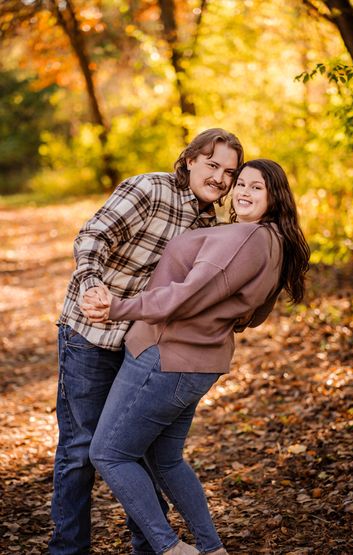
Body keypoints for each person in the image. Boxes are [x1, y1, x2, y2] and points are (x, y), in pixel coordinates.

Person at [81, 159, 311, 555]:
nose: (242, 191)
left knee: (108, 454)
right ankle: (211, 548)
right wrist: (215, 320)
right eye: (240, 184)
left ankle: (169, 548)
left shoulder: (242, 237)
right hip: (199, 363)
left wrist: (118, 307)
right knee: (166, 460)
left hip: (164, 357)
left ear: (275, 196)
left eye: (256, 187)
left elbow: (185, 294)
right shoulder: (275, 242)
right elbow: (251, 315)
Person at [49, 128, 244, 555]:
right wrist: (91, 284)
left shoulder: (213, 222)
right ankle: (67, 549)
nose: (219, 178)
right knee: (81, 452)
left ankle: (149, 548)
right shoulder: (150, 189)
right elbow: (92, 236)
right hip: (91, 335)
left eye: (229, 172)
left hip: (144, 350)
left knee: (134, 448)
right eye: (212, 165)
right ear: (190, 159)